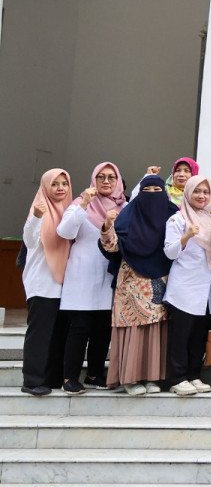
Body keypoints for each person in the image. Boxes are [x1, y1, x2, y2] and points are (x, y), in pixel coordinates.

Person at [102, 174, 177, 395]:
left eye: (157, 191)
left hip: (160, 280)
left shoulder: (173, 214)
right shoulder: (128, 216)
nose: (153, 196)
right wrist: (107, 225)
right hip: (131, 280)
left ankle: (151, 377)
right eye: (147, 191)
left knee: (156, 327)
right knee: (133, 328)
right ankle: (129, 378)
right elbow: (111, 247)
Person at [56, 163, 125, 394]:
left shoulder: (123, 207)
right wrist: (84, 203)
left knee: (103, 328)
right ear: (93, 179)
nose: (106, 182)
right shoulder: (79, 204)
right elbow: (65, 232)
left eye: (111, 177)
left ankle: (95, 373)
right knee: (80, 327)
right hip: (83, 272)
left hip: (108, 274)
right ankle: (69, 377)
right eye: (101, 177)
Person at [163, 175, 211, 396]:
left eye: (206, 192)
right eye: (197, 191)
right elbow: (169, 252)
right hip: (185, 287)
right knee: (182, 335)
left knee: (199, 334)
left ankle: (193, 375)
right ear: (188, 193)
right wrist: (186, 237)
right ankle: (177, 378)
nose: (201, 196)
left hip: (207, 289)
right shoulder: (178, 219)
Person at [20, 168, 73, 396]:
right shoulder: (39, 210)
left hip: (64, 284)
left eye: (64, 184)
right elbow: (30, 241)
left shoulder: (69, 212)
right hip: (42, 283)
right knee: (40, 333)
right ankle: (32, 381)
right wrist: (37, 217)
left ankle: (51, 378)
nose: (60, 188)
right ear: (45, 187)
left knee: (58, 332)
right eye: (55, 184)